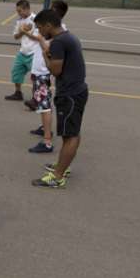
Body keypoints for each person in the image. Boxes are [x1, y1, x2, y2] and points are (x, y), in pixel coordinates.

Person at [32, 10, 87, 189]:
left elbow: (55, 71)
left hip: (69, 94)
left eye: (40, 28)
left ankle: (58, 176)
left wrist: (45, 56)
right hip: (77, 91)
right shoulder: (69, 37)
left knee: (70, 135)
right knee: (70, 132)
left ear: (48, 25)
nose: (40, 32)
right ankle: (63, 166)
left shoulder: (58, 42)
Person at [25, 15, 54, 153]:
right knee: (43, 105)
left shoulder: (51, 36)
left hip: (43, 74)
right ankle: (44, 130)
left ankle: (47, 141)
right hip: (39, 73)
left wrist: (27, 32)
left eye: (40, 27)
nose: (38, 30)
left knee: (44, 106)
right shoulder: (46, 35)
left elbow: (46, 50)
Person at [5, 0, 35, 101]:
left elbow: (38, 37)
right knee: (16, 72)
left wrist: (25, 31)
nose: (19, 13)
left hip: (33, 53)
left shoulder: (35, 20)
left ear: (27, 9)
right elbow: (16, 36)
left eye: (20, 11)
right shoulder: (19, 21)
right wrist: (23, 31)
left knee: (35, 77)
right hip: (23, 52)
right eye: (17, 11)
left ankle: (36, 98)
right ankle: (18, 93)